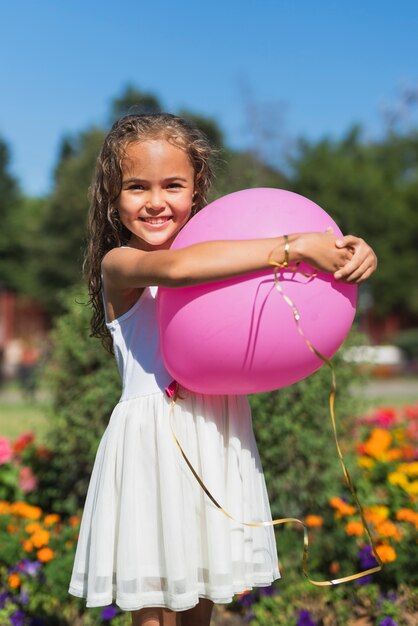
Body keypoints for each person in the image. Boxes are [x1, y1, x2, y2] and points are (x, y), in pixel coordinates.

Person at [68, 113, 377, 626]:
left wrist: (349, 251)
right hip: (153, 444)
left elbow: (253, 275)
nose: (155, 201)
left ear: (197, 189)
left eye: (173, 185)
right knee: (154, 600)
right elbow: (178, 269)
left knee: (201, 595)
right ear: (112, 197)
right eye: (136, 187)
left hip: (217, 431)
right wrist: (295, 245)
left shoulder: (230, 254)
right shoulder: (120, 263)